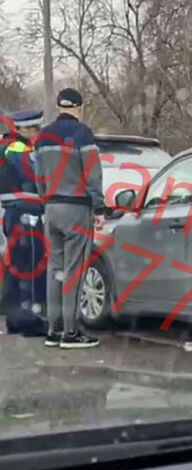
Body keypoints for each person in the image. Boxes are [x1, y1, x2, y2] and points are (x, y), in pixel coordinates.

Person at [34, 88, 105, 349]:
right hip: (76, 209)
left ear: (59, 107)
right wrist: (99, 208)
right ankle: (71, 332)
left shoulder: (43, 137)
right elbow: (92, 173)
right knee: (74, 271)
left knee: (56, 270)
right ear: (79, 108)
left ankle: (53, 330)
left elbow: (38, 176)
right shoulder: (82, 134)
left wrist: (46, 201)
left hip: (51, 208)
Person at [1, 110, 47, 336]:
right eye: (34, 129)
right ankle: (28, 320)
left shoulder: (10, 146)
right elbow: (34, 176)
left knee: (17, 266)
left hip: (16, 213)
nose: (37, 133)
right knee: (29, 266)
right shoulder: (18, 149)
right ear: (24, 129)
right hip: (24, 213)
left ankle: (16, 318)